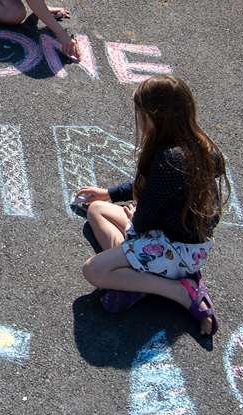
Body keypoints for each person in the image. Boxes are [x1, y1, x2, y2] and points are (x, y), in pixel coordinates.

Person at [75, 76, 225, 338]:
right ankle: (137, 281)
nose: (138, 118)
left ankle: (180, 291)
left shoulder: (170, 159)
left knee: (94, 270)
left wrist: (135, 220)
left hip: (171, 248)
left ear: (156, 116)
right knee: (97, 209)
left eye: (140, 112)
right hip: (182, 243)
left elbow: (143, 220)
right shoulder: (201, 147)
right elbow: (149, 190)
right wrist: (109, 193)